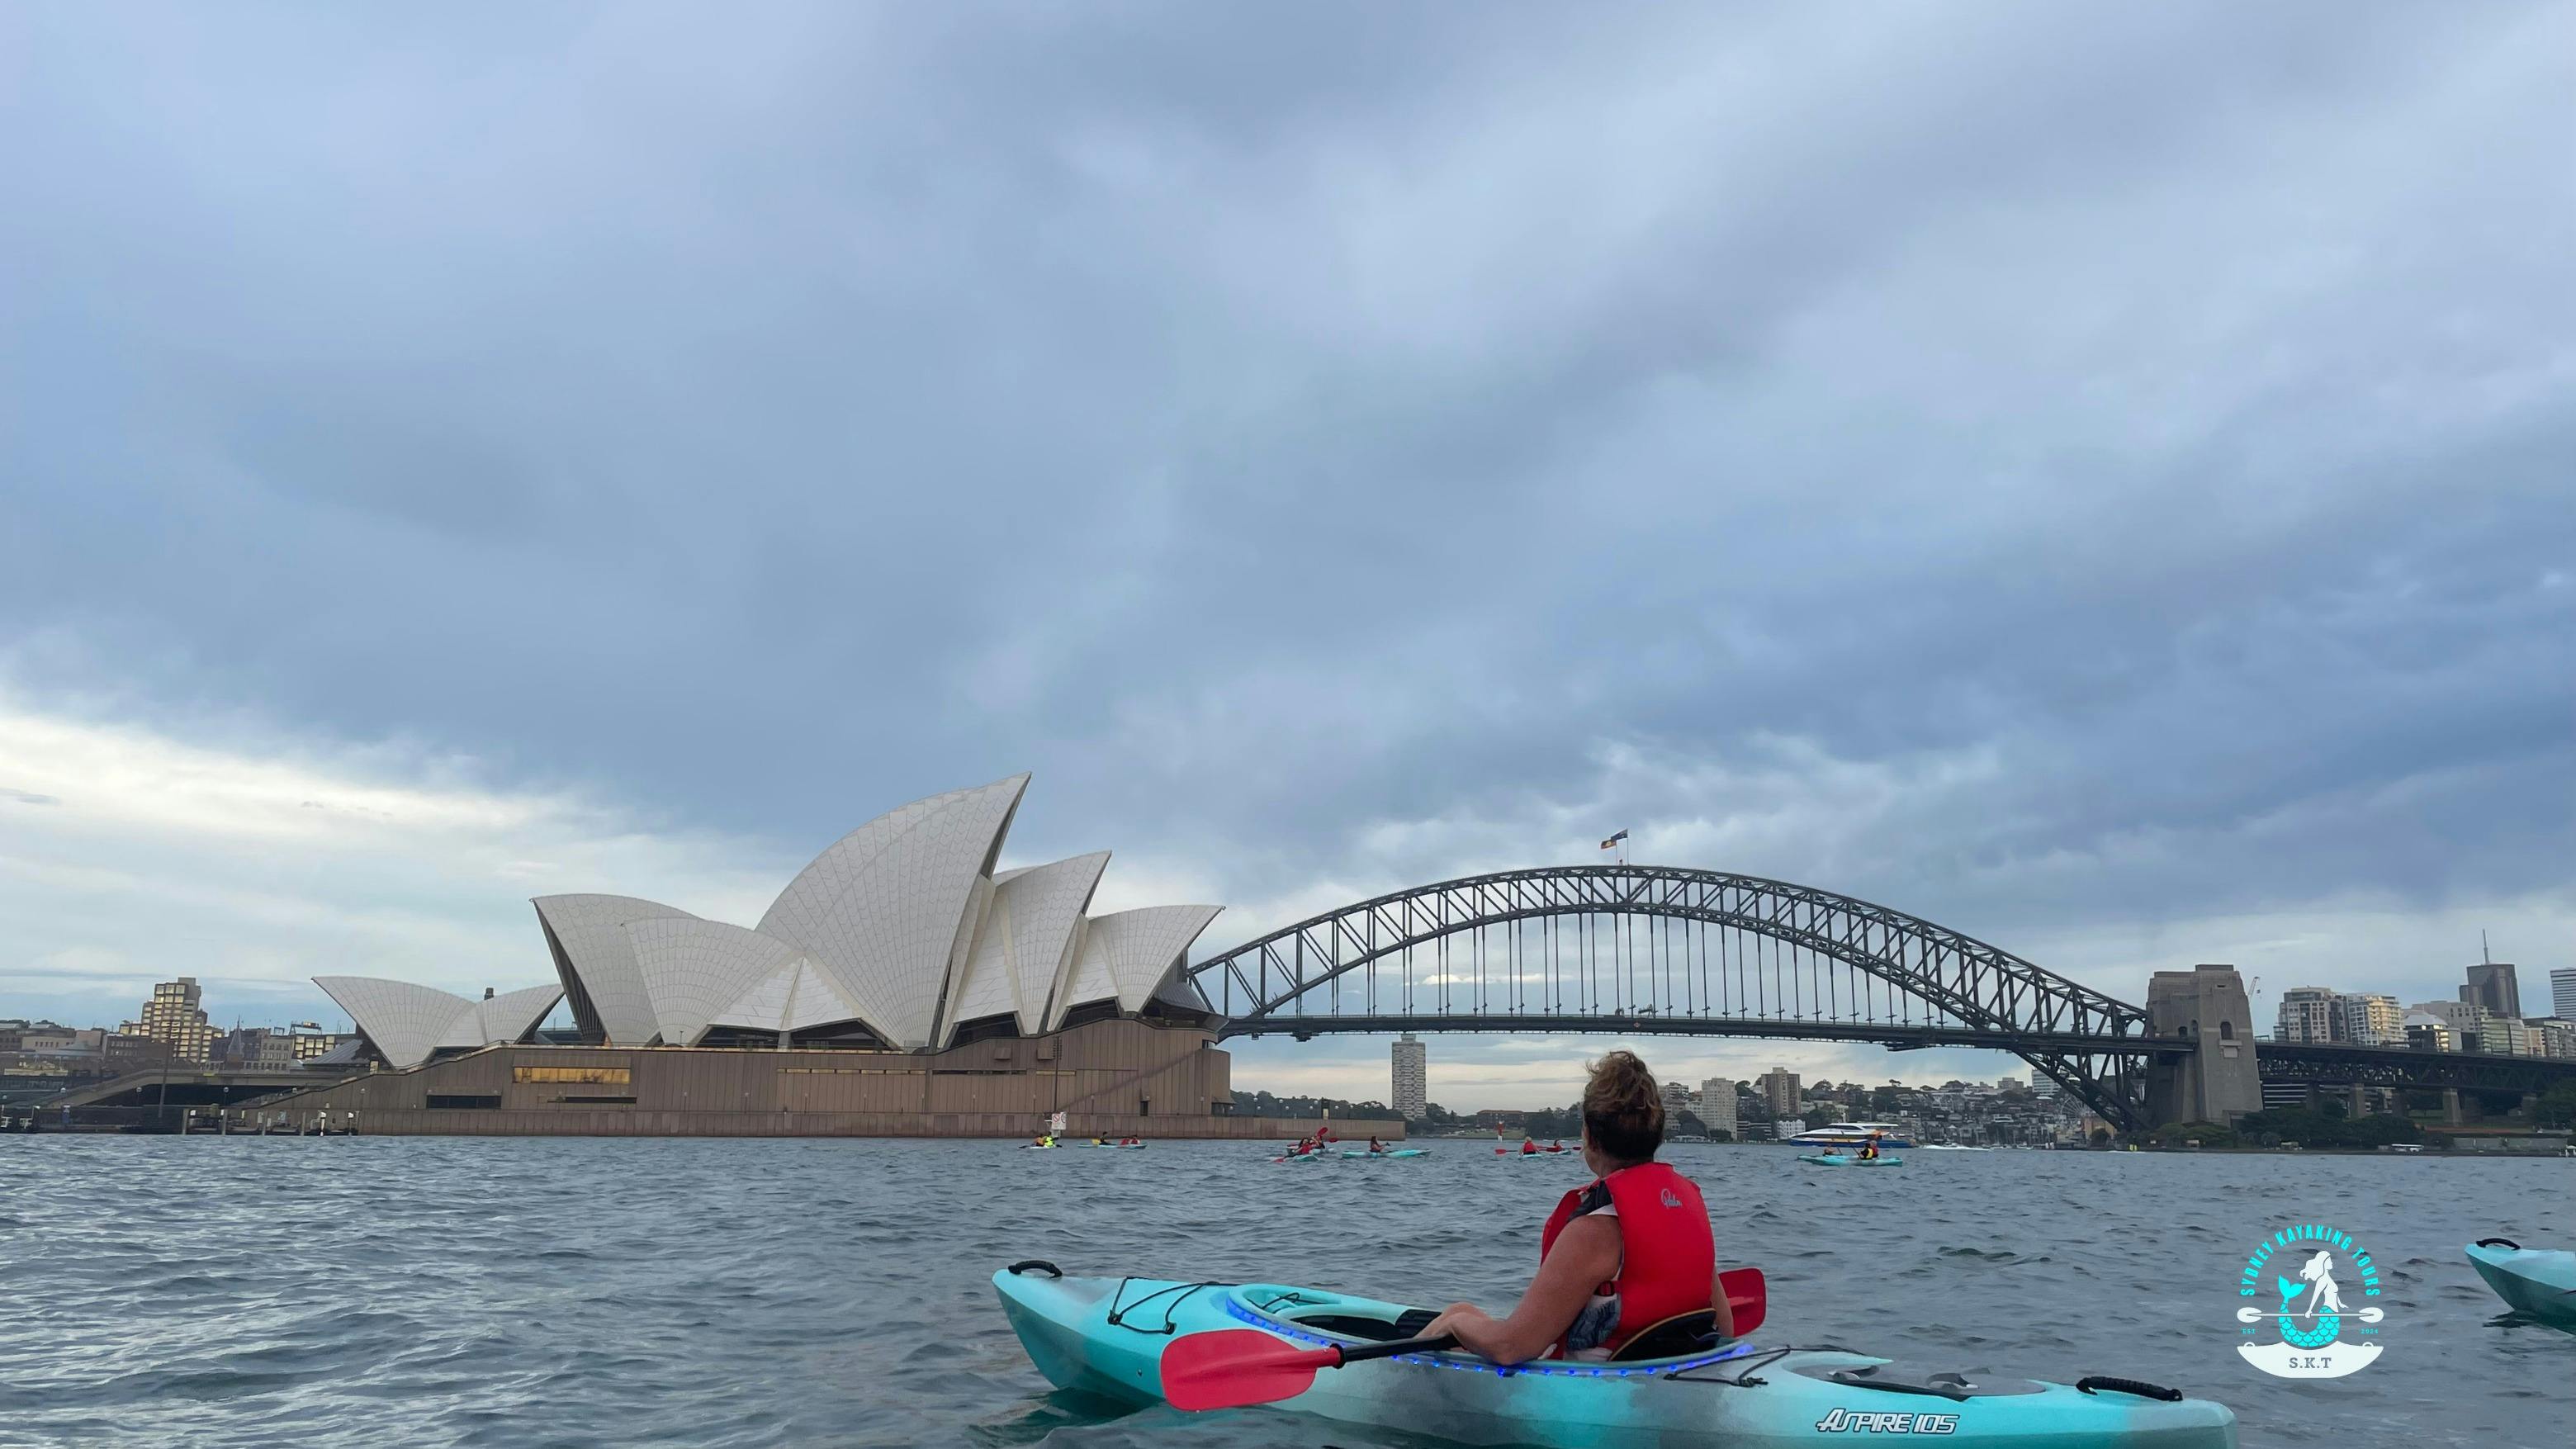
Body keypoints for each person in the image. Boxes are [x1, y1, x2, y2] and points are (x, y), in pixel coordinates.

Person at [1424, 1051, 1727, 1365]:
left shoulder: (1593, 1233)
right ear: (1657, 1136)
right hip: (1669, 1373)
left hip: (1596, 1386)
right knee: (1462, 1312)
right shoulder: (1688, 1214)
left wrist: (1454, 1325)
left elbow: (1511, 1348)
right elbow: (1725, 1327)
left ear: (1591, 1138)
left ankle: (1396, 1381)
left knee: (1457, 1314)